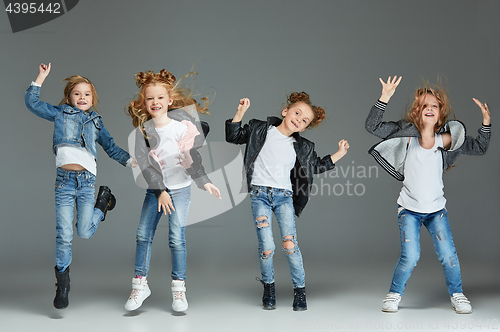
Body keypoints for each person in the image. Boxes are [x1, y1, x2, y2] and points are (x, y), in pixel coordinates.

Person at [366, 76, 491, 314]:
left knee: (448, 255)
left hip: (436, 211)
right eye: (424, 105)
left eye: (434, 105)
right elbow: (372, 127)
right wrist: (385, 98)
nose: (429, 108)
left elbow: (480, 148)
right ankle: (394, 294)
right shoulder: (405, 134)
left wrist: (486, 123)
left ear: (441, 111)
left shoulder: (447, 140)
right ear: (417, 111)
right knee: (410, 256)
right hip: (409, 211)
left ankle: (457, 294)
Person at [225, 92, 349, 311]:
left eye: (304, 121)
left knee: (290, 246)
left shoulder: (303, 147)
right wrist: (240, 113)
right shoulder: (259, 129)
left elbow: (316, 166)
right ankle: (269, 288)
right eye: (297, 113)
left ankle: (299, 292)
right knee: (267, 247)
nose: (298, 120)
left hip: (284, 197)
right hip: (260, 195)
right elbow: (233, 136)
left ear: (304, 128)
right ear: (285, 111)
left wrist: (338, 155)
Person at [25, 63, 131, 309]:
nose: (82, 97)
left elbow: (111, 147)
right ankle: (62, 284)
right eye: (77, 93)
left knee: (84, 231)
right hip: (63, 182)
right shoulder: (60, 113)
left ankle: (103, 201)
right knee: (64, 236)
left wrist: (132, 161)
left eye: (87, 94)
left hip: (86, 183)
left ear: (93, 98)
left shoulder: (96, 122)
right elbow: (32, 103)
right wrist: (41, 77)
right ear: (68, 97)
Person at [124, 69, 221, 313]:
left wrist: (205, 182)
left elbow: (193, 159)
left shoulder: (183, 128)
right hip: (156, 191)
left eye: (159, 98)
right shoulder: (142, 132)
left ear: (169, 100)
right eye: (150, 99)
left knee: (176, 238)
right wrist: (160, 192)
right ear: (143, 103)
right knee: (142, 234)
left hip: (180, 191)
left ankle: (178, 290)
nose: (155, 102)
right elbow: (146, 166)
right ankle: (140, 285)